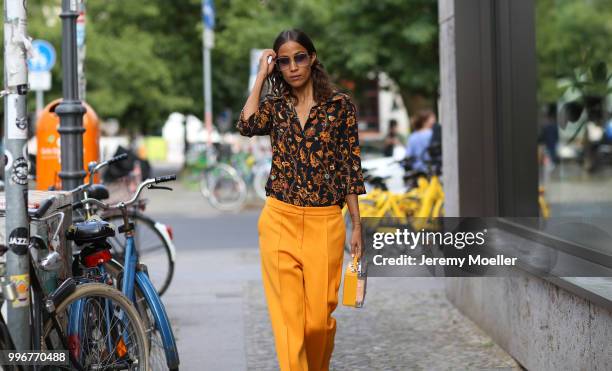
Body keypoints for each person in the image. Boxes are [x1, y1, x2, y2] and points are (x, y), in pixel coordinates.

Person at [236, 29, 366, 371]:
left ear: (312, 58)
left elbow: (350, 166)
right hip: (279, 219)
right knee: (289, 322)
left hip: (326, 222)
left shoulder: (340, 106)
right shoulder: (276, 107)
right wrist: (260, 76)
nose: (293, 66)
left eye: (299, 57)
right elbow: (246, 124)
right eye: (284, 61)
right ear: (277, 66)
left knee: (316, 322)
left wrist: (357, 225)